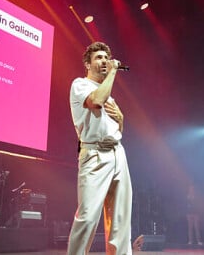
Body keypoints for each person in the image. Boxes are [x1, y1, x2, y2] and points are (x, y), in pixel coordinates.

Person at [67, 41, 132, 255]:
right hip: (94, 154)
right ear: (87, 63)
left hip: (117, 153)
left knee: (120, 217)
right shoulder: (80, 84)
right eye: (99, 57)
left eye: (107, 57)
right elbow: (97, 101)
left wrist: (121, 119)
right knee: (87, 215)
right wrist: (113, 71)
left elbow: (114, 123)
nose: (104, 61)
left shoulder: (108, 92)